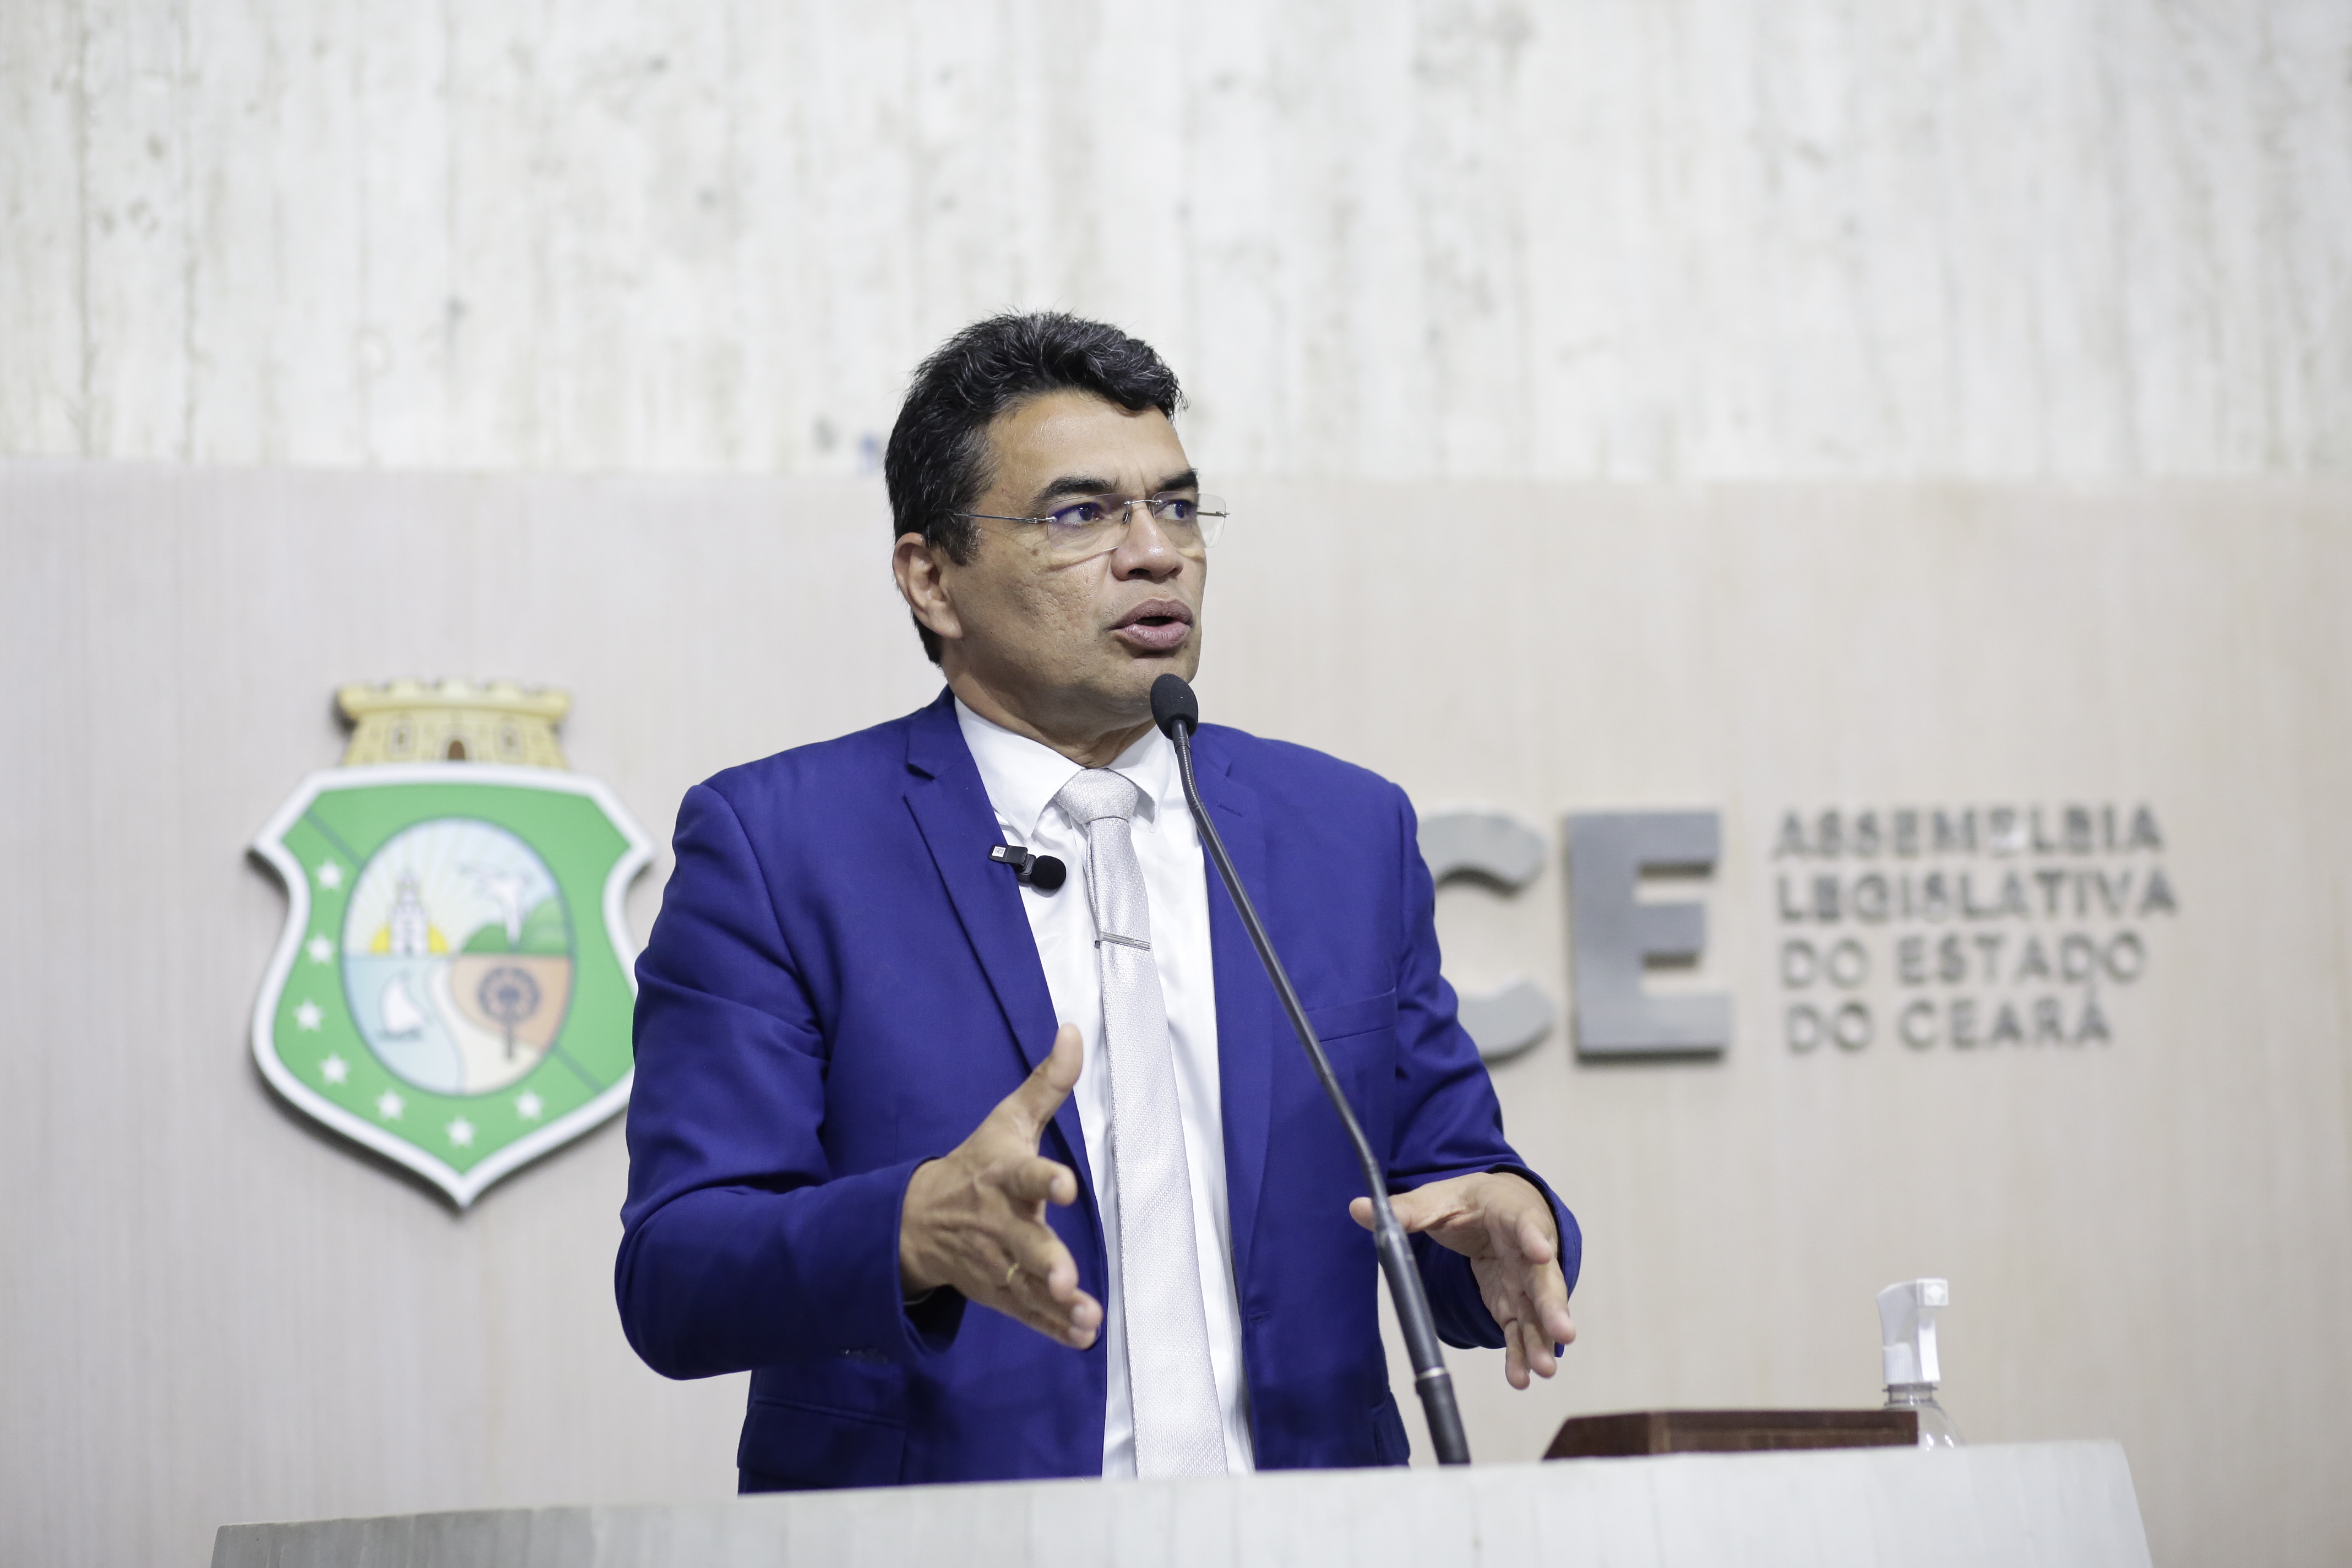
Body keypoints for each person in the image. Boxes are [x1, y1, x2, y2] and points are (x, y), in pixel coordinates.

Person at [617, 312, 1580, 1490]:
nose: (1156, 553)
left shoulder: (1343, 831)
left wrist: (1504, 1219)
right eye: (1082, 515)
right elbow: (677, 1273)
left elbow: (1444, 1182)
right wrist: (909, 1229)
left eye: (1178, 506)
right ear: (932, 578)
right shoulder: (780, 844)